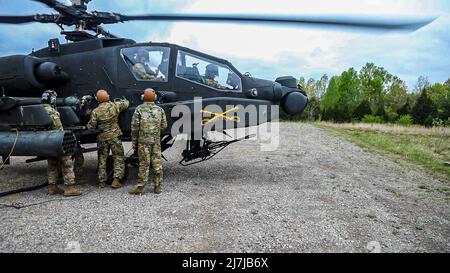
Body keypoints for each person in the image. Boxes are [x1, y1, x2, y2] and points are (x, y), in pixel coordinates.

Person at [41, 90, 82, 197]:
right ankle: (69, 188)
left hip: (46, 142)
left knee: (52, 164)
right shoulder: (52, 111)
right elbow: (59, 129)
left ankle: (53, 187)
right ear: (52, 99)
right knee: (67, 164)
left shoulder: (39, 110)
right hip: (56, 141)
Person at [86, 90, 129, 189]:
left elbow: (91, 126)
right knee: (118, 157)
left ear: (97, 99)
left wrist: (86, 126)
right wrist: (123, 100)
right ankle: (116, 180)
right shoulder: (114, 106)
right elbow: (126, 103)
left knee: (102, 159)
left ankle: (101, 182)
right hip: (114, 136)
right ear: (107, 97)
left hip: (102, 138)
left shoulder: (95, 111)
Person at [129, 88, 167, 195]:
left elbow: (135, 127)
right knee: (157, 162)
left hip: (143, 141)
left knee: (144, 163)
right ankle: (157, 186)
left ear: (143, 97)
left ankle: (140, 187)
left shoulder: (139, 109)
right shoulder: (160, 110)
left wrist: (134, 141)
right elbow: (164, 125)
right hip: (156, 141)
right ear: (154, 97)